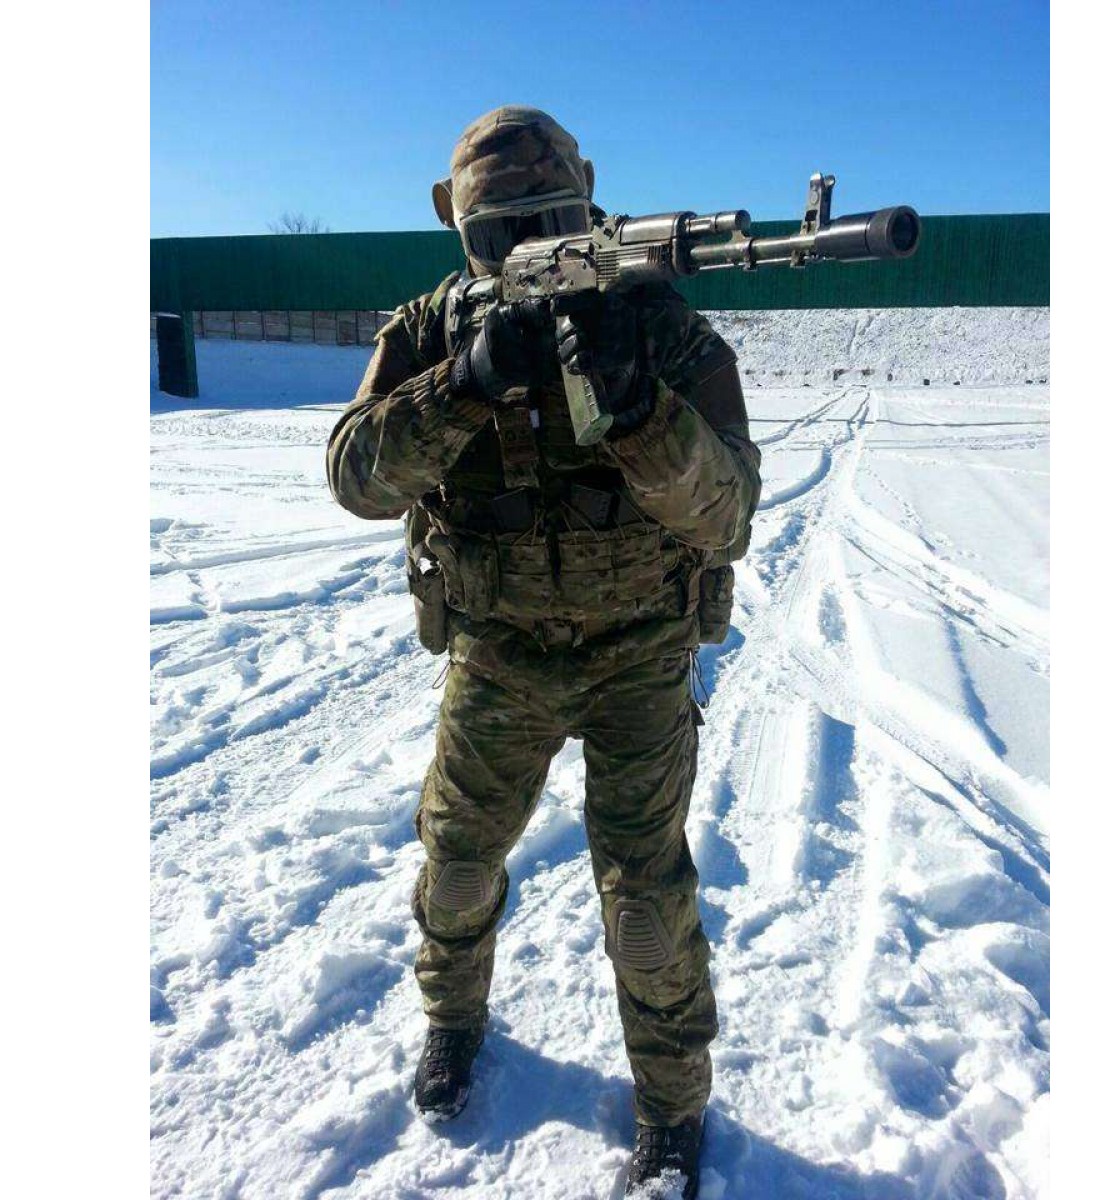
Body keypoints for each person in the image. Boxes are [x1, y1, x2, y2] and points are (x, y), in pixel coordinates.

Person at [326, 105, 761, 1199]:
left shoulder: (657, 329)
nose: (526, 251)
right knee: (457, 866)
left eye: (552, 224)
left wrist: (641, 408)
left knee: (646, 903)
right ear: (456, 228)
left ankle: (672, 1108)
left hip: (638, 655)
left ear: (591, 202)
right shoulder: (432, 331)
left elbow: (727, 519)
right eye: (497, 236)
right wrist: (459, 385)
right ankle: (452, 1023)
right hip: (498, 654)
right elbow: (355, 478)